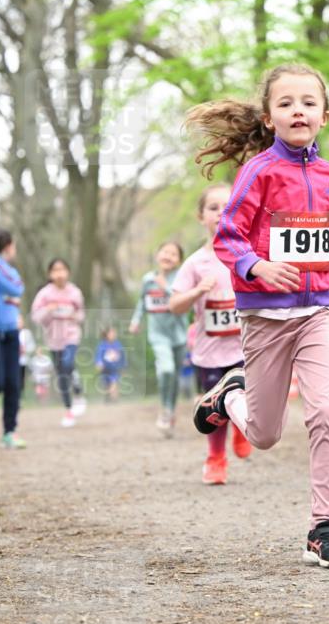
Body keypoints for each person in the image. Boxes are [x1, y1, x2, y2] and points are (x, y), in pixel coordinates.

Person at [188, 63, 329, 566]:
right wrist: (257, 266)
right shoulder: (259, 171)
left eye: (308, 102)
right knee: (265, 434)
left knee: (325, 412)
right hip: (265, 315)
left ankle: (322, 528)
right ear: (269, 117)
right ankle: (230, 395)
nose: (298, 111)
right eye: (286, 103)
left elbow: (313, 235)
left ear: (324, 116)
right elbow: (229, 236)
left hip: (315, 311)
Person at [170, 185, 251, 484]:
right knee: (216, 409)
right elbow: (175, 305)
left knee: (249, 398)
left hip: (245, 347)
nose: (220, 213)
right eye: (213, 208)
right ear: (201, 216)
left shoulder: (248, 253)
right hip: (209, 351)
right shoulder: (194, 263)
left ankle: (245, 429)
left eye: (227, 206)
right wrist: (196, 291)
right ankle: (216, 458)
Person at [129, 242, 187, 437]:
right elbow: (141, 302)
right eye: (165, 252)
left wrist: (167, 288)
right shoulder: (148, 279)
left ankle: (170, 410)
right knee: (166, 370)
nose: (168, 256)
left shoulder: (181, 278)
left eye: (173, 254)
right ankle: (164, 409)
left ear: (179, 260)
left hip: (179, 335)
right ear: (157, 255)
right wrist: (136, 320)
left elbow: (185, 301)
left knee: (175, 375)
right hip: (158, 334)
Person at [31, 259, 86, 428]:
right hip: (53, 340)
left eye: (62, 269)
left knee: (68, 363)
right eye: (55, 270)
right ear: (50, 274)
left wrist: (73, 316)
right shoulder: (45, 294)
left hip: (71, 336)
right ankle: (68, 410)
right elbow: (35, 317)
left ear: (68, 272)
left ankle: (77, 392)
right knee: (61, 374)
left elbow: (81, 314)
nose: (59, 274)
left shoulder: (74, 292)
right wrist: (48, 309)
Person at [0, 229, 26, 448]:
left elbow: (14, 297)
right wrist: (15, 290)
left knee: (13, 384)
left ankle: (10, 432)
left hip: (11, 331)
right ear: (7, 245)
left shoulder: (8, 269)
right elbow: (16, 288)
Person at [95, 326, 127, 402]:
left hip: (114, 369)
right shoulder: (102, 345)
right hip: (105, 369)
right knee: (107, 385)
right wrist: (99, 363)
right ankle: (108, 398)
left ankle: (114, 399)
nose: (114, 334)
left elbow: (122, 356)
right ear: (107, 335)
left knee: (114, 382)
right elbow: (99, 355)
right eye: (112, 333)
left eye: (114, 333)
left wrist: (124, 366)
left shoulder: (118, 344)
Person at [18, 315, 36, 399]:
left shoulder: (26, 333)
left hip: (23, 361)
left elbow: (32, 346)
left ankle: (20, 398)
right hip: (10, 362)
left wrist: (25, 350)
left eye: (20, 320)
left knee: (21, 380)